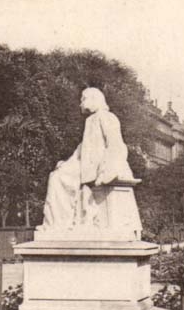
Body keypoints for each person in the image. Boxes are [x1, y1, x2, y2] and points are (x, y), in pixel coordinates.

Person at [42, 87, 137, 231]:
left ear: (94, 99)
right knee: (56, 177)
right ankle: (58, 224)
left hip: (98, 166)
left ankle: (60, 224)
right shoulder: (90, 120)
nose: (81, 103)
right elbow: (81, 150)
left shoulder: (107, 117)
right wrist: (66, 164)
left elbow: (115, 145)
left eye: (83, 99)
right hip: (84, 167)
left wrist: (105, 170)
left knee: (57, 179)